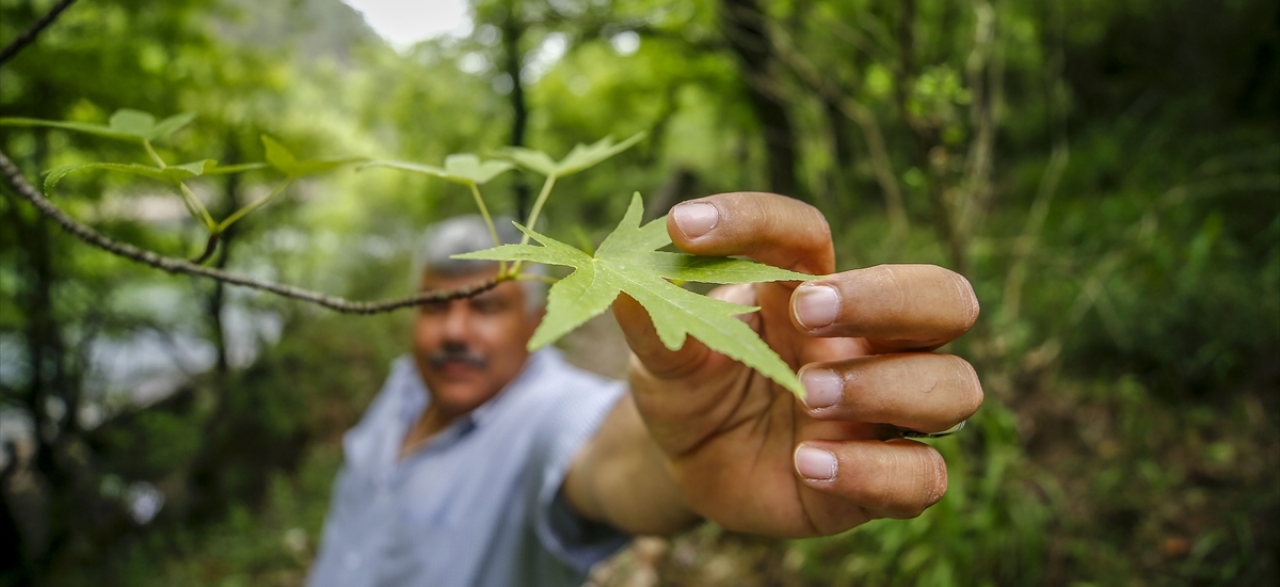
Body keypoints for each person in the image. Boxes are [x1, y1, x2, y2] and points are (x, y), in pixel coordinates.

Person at [307, 192, 984, 587]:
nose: (454, 331)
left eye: (485, 306)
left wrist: (687, 461)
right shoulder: (401, 388)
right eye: (434, 306)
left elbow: (619, 460)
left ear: (538, 314)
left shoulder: (549, 415)